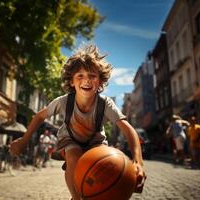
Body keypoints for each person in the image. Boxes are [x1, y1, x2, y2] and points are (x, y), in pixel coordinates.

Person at [10, 44, 145, 200]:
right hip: (70, 139)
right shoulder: (64, 102)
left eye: (92, 76)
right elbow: (39, 116)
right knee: (73, 156)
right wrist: (24, 140)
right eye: (80, 75)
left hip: (96, 143)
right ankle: (76, 198)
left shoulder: (105, 104)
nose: (86, 80)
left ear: (100, 81)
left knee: (109, 167)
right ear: (72, 82)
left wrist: (138, 162)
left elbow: (128, 130)